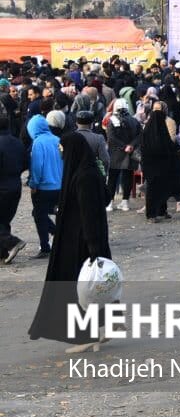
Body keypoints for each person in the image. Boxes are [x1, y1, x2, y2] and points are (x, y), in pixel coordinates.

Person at [27, 131, 112, 351]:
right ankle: (101, 329)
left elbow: (88, 213)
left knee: (81, 289)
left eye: (62, 148)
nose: (60, 151)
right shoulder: (88, 171)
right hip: (88, 241)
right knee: (94, 288)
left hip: (80, 242)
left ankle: (86, 336)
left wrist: (92, 246)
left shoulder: (83, 176)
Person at [27, 110, 64, 256]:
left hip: (44, 187)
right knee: (44, 213)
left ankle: (45, 246)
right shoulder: (57, 139)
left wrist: (33, 184)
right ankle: (58, 234)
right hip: (59, 185)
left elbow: (37, 166)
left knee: (39, 214)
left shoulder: (38, 143)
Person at [141, 101, 180, 222]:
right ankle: (152, 214)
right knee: (156, 189)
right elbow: (169, 145)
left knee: (159, 188)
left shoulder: (147, 130)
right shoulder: (160, 131)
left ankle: (161, 211)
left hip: (152, 165)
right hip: (157, 165)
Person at [104, 99, 140, 213]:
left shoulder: (111, 120)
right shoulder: (134, 120)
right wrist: (130, 145)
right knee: (128, 177)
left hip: (115, 153)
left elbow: (111, 138)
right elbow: (140, 135)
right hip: (130, 153)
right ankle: (125, 202)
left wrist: (124, 146)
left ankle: (109, 203)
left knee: (112, 179)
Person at [0, 114, 27, 261]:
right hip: (15, 185)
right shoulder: (17, 143)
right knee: (4, 220)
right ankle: (3, 252)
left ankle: (13, 243)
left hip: (2, 186)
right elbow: (25, 163)